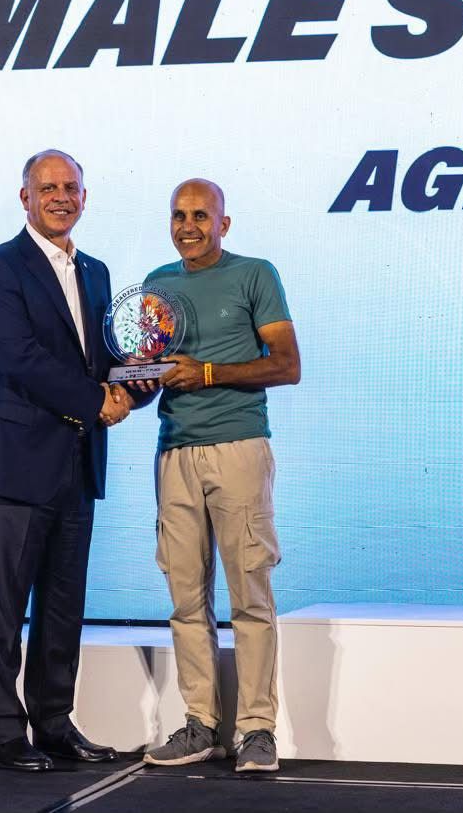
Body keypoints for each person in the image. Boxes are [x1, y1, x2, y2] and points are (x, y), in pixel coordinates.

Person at [0, 150, 137, 772]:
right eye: (49, 187)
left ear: (85, 196)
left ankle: (54, 725)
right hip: (11, 464)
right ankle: (4, 733)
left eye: (71, 187)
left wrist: (138, 383)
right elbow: (19, 357)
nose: (61, 196)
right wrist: (96, 401)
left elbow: (105, 358)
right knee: (1, 610)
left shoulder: (97, 272)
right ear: (25, 197)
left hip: (76, 465)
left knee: (62, 607)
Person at [139, 179, 300, 774]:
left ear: (223, 224)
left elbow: (287, 364)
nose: (188, 226)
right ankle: (200, 724)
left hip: (238, 448)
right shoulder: (157, 283)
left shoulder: (255, 274)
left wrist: (206, 373)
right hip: (174, 452)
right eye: (179, 215)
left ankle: (256, 729)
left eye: (201, 216)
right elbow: (152, 370)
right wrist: (129, 383)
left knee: (250, 595)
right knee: (185, 598)